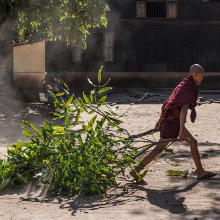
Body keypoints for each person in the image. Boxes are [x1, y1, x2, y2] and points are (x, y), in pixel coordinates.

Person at [130, 64, 216, 184]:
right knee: (158, 149)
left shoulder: (185, 83)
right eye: (201, 76)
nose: (202, 78)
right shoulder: (188, 87)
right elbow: (183, 109)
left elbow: (168, 102)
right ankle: (136, 171)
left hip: (171, 120)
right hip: (172, 123)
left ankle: (200, 171)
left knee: (192, 142)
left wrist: (160, 120)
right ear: (196, 75)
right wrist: (180, 129)